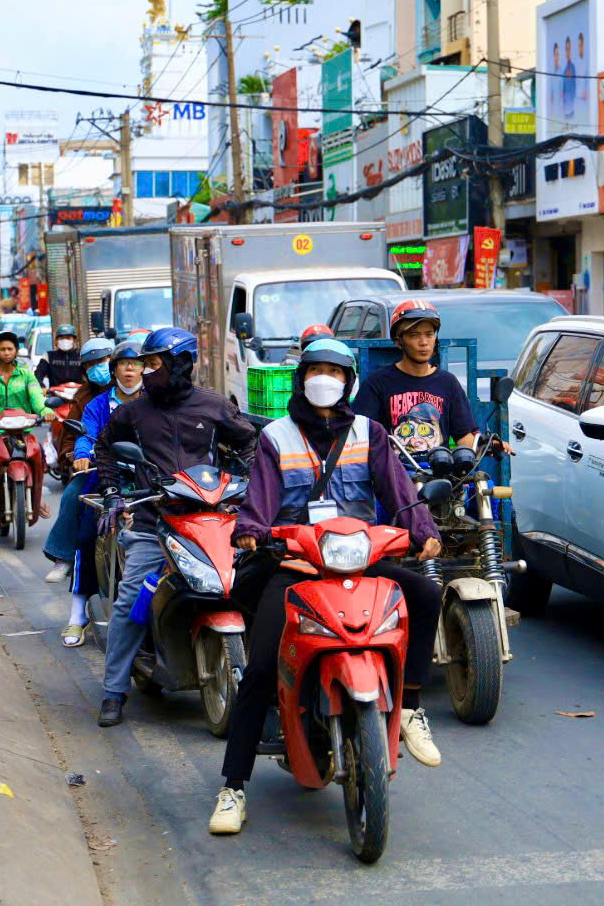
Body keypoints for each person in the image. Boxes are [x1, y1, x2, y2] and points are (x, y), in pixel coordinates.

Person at [209, 337, 444, 836]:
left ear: (348, 382)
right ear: (301, 378)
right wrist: (252, 531)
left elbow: (400, 492)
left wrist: (423, 531)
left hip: (359, 561)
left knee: (425, 595)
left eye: (334, 373)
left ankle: (412, 708)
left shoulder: (371, 432)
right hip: (296, 565)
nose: (324, 380)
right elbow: (259, 500)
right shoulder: (276, 437)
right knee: (260, 670)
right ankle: (233, 787)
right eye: (315, 370)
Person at [93, 327, 257, 728]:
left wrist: (249, 479)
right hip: (154, 524)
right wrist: (114, 493)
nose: (147, 372)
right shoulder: (133, 411)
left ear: (181, 364)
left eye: (155, 364)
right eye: (145, 364)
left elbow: (251, 442)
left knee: (259, 586)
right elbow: (105, 447)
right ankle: (114, 690)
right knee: (132, 602)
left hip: (213, 521)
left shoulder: (214, 406)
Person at [56, 341, 146, 647]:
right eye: (124, 364)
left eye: (136, 364)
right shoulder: (96, 404)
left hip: (149, 480)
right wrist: (82, 454)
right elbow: (86, 435)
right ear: (114, 369)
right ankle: (77, 615)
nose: (130, 369)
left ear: (145, 368)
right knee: (84, 536)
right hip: (105, 476)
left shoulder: (156, 401)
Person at [352, 299, 481, 452]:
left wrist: (488, 446)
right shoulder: (378, 382)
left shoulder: (448, 382)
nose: (424, 342)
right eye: (414, 335)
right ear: (399, 341)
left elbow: (464, 437)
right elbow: (359, 436)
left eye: (429, 334)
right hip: (393, 472)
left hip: (440, 471)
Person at [43, 338, 117, 586]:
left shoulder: (142, 394)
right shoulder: (86, 399)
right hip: (97, 466)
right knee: (72, 495)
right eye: (92, 364)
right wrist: (74, 456)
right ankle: (63, 556)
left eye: (103, 362)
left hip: (134, 467)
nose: (99, 368)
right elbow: (75, 437)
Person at [0, 330, 55, 525]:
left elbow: (36, 396)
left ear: (16, 351)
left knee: (39, 455)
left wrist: (44, 410)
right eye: (2, 349)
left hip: (22, 430)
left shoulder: (26, 375)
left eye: (10, 349)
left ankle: (37, 498)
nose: (6, 353)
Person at [36, 323, 83, 388]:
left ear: (74, 340)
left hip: (78, 394)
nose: (65, 340)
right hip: (56, 393)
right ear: (57, 340)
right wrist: (42, 387)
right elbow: (38, 375)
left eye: (68, 338)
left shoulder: (81, 356)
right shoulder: (48, 356)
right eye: (61, 338)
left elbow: (89, 376)